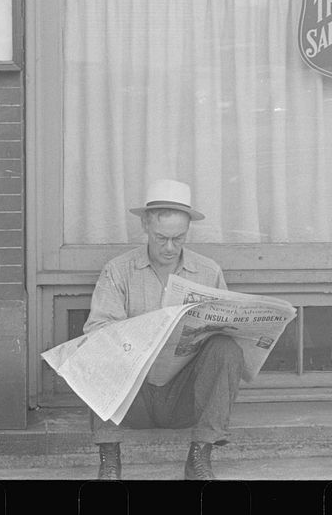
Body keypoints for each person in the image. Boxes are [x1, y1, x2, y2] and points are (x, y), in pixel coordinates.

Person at [83, 179, 244, 480]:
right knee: (96, 349)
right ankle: (109, 461)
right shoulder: (118, 270)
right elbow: (99, 328)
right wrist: (142, 334)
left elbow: (226, 329)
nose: (170, 248)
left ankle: (200, 457)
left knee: (227, 348)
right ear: (145, 225)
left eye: (178, 239)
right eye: (161, 238)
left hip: (185, 394)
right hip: (134, 396)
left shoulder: (208, 271)